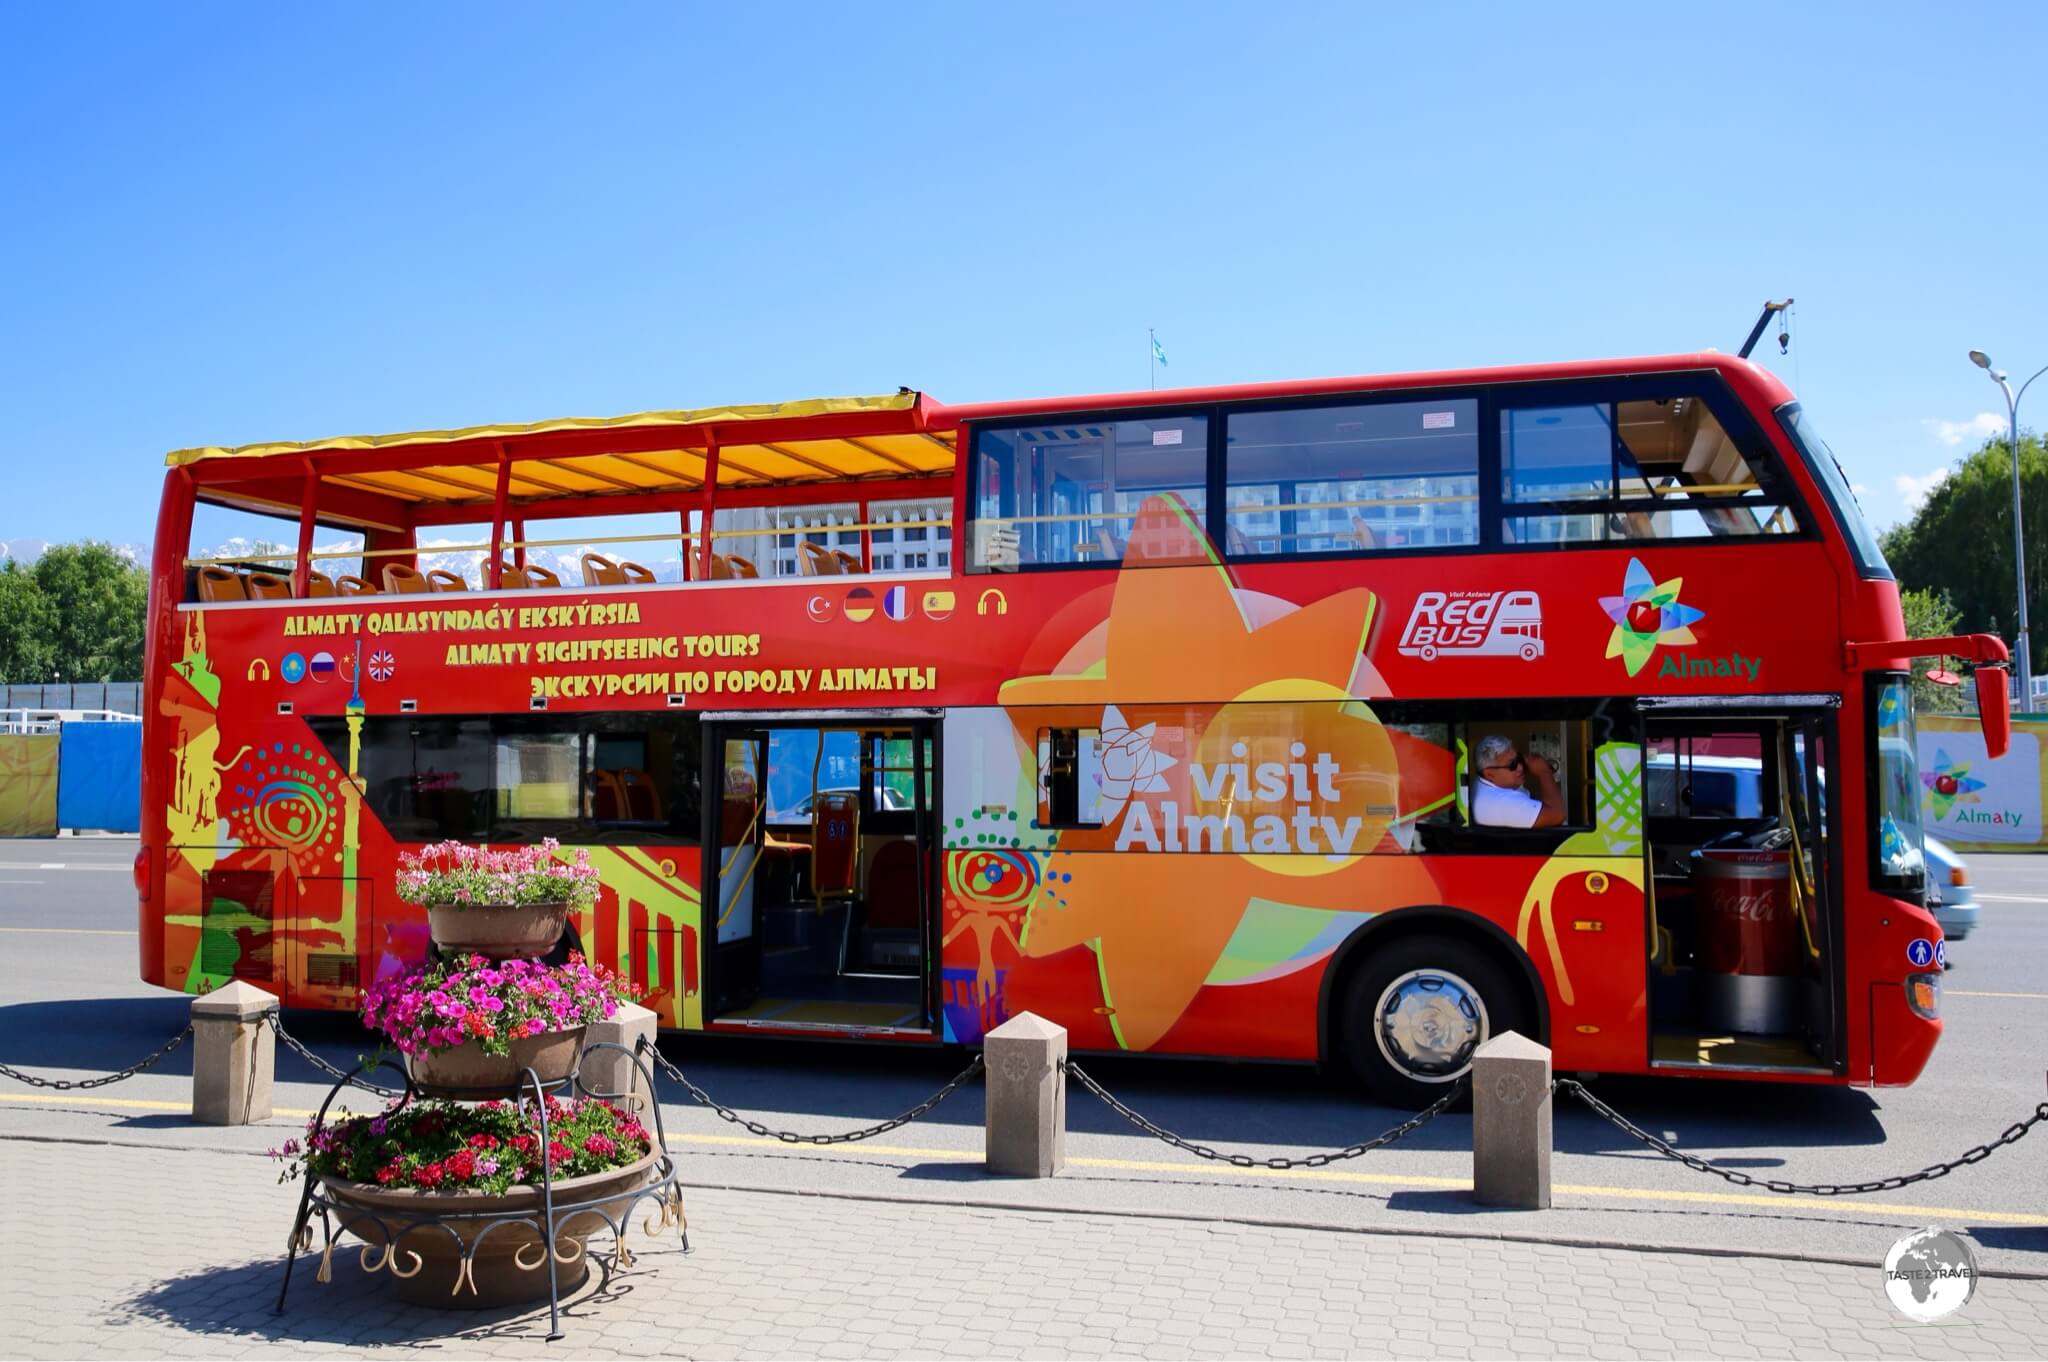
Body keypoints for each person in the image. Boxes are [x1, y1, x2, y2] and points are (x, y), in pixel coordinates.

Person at [1472, 734, 1564, 828]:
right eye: (1512, 765)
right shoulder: (1500, 803)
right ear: (1489, 774)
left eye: (1518, 759)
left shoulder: (1485, 780)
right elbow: (1557, 816)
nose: (1520, 767)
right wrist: (1544, 772)